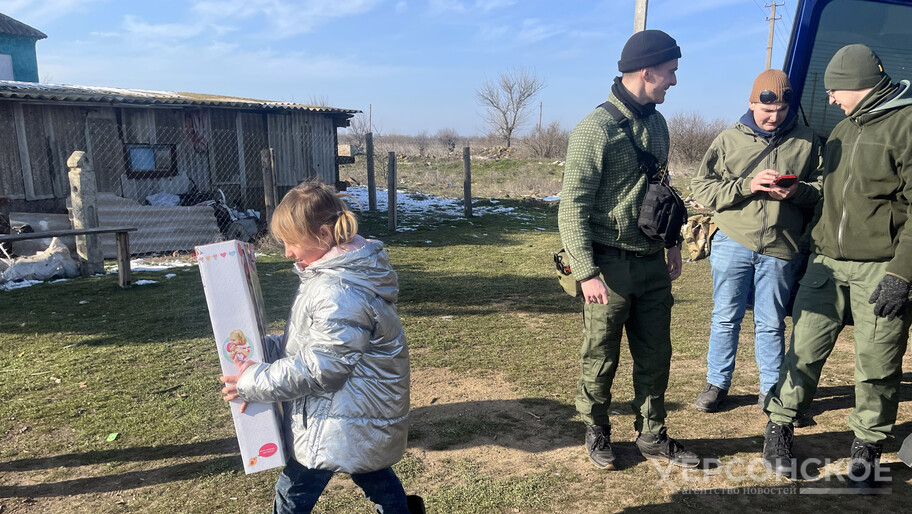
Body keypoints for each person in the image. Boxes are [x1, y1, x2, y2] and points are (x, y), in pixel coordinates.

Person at [762, 44, 912, 491]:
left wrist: (902, 273)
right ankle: (780, 426)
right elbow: (832, 197)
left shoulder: (906, 126)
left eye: (833, 90)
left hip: (881, 268)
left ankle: (868, 446)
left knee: (878, 363)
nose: (829, 99)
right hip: (826, 264)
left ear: (856, 84)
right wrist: (799, 194)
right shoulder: (843, 130)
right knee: (803, 350)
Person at [219, 181, 420, 513]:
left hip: (336, 415)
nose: (287, 253)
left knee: (296, 490)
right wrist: (267, 349)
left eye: (292, 243)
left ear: (323, 236)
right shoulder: (331, 276)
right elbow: (316, 342)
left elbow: (323, 366)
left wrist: (254, 381)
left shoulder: (338, 290)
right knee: (372, 472)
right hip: (348, 411)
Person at [558, 29, 698, 470]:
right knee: (601, 354)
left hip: (652, 263)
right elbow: (571, 207)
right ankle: (596, 428)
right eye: (670, 72)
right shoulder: (593, 130)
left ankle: (653, 434)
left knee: (657, 353)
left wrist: (673, 242)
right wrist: (585, 271)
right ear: (647, 71)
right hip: (608, 265)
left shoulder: (657, 123)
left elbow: (661, 188)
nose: (674, 81)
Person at [690, 69, 822, 413]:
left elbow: (824, 190)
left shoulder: (808, 140)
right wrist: (746, 185)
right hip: (733, 240)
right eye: (766, 110)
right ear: (750, 103)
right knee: (725, 316)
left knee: (771, 322)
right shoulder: (727, 139)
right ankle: (716, 384)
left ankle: (770, 391)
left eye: (780, 110)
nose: (773, 117)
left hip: (781, 247)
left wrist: (799, 190)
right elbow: (701, 187)